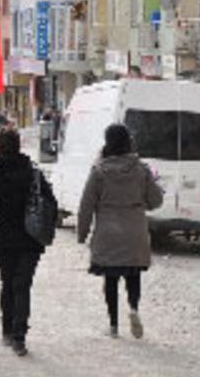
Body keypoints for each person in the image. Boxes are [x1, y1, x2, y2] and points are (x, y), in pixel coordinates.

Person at [77, 124, 164, 339]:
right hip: (135, 231)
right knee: (133, 275)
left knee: (111, 279)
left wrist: (82, 232)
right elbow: (156, 201)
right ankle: (133, 308)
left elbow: (86, 205)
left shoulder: (99, 171)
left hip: (108, 231)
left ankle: (114, 325)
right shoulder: (141, 169)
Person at [0, 128, 56, 356]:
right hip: (30, 238)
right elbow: (50, 202)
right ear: (19, 145)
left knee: (8, 283)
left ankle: (7, 330)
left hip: (4, 237)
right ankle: (19, 336)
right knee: (23, 286)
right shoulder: (32, 172)